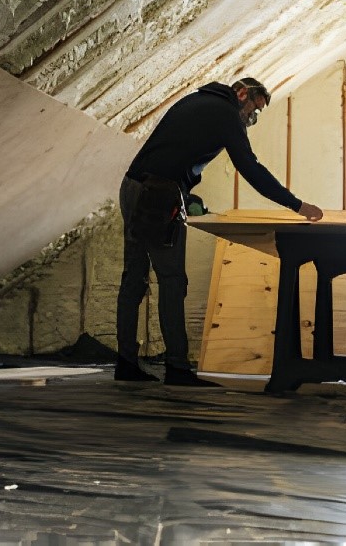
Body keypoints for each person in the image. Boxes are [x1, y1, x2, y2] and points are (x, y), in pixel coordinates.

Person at [115, 77, 324, 386]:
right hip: (157, 196)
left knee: (134, 278)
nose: (251, 118)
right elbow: (249, 167)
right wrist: (296, 205)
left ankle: (126, 365)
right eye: (254, 109)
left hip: (135, 186)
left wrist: (186, 192)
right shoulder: (226, 112)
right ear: (242, 95)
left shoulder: (198, 101)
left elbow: (174, 151)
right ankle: (177, 369)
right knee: (172, 280)